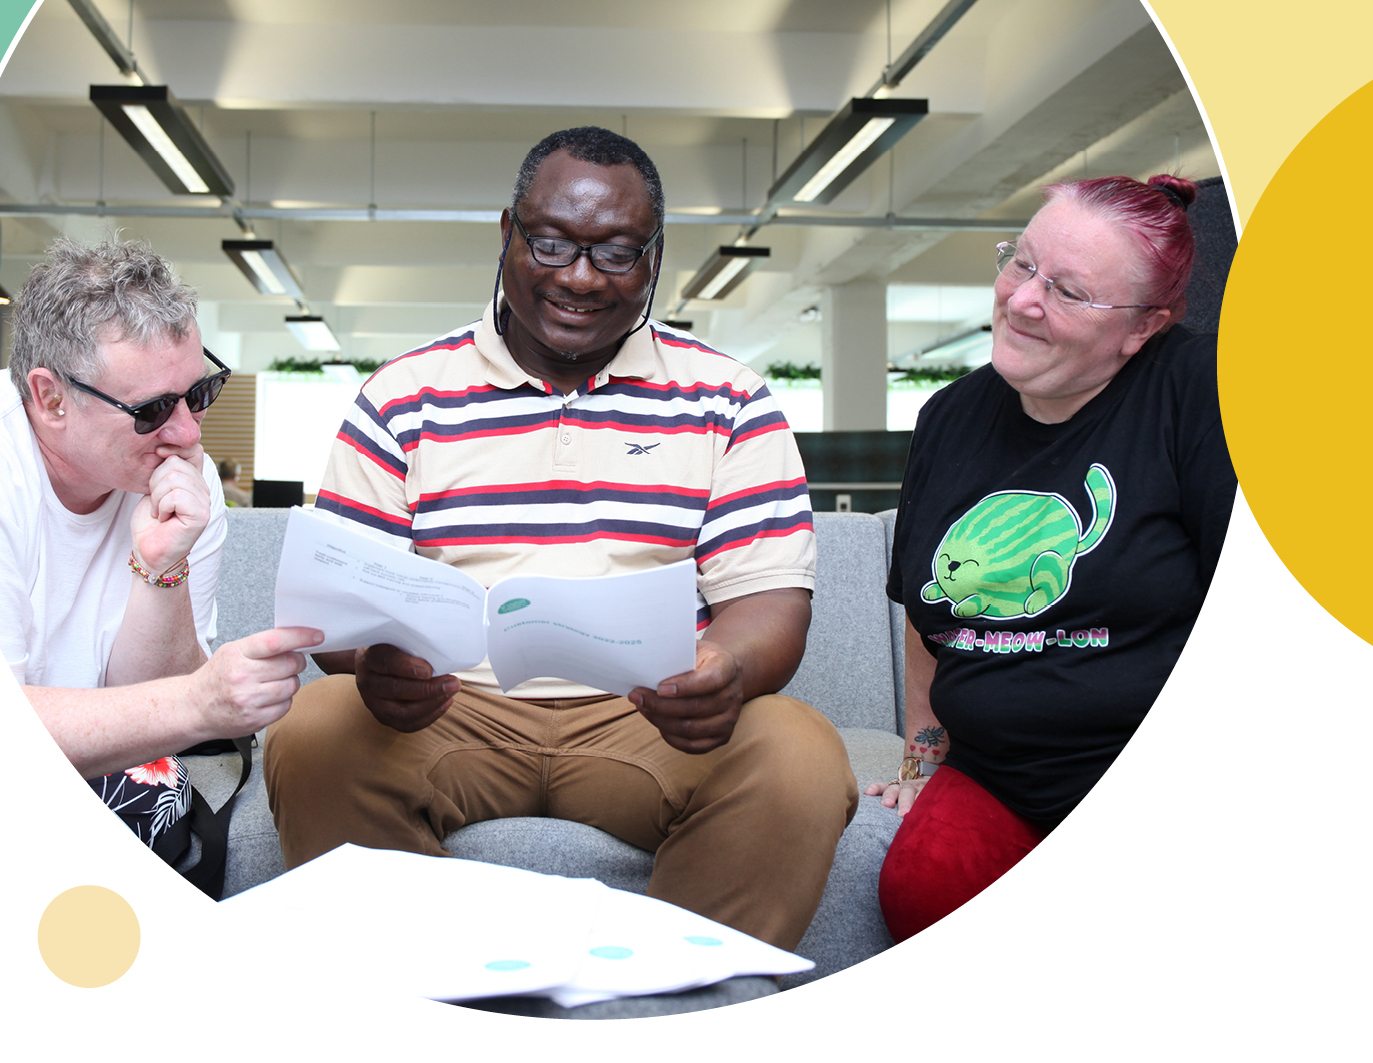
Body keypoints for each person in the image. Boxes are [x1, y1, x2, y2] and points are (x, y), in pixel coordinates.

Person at [262, 127, 858, 951]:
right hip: (448, 712)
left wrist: (725, 668)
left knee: (797, 750)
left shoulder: (729, 400)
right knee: (316, 723)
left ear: (654, 258)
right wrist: (370, 665)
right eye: (550, 243)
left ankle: (674, 1010)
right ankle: (419, 1002)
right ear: (507, 232)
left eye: (616, 253)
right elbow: (344, 601)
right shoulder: (402, 396)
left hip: (647, 718)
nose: (579, 278)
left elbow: (767, 604)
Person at [869, 175, 1236, 940]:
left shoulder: (1203, 390)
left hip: (1163, 775)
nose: (1023, 299)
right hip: (995, 775)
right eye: (1021, 263)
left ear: (1143, 327)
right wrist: (920, 764)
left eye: (1068, 290)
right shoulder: (948, 416)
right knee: (920, 891)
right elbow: (924, 611)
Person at [0, 238, 321, 892]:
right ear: (50, 398)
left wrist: (162, 570)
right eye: (150, 410)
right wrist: (201, 699)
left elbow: (147, 713)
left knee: (158, 809)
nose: (188, 434)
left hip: (96, 766)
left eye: (198, 392)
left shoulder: (180, 478)